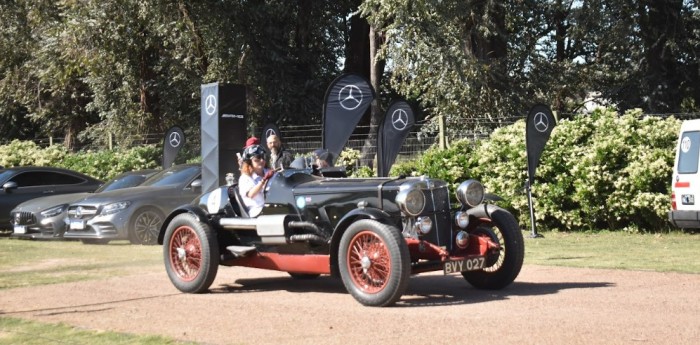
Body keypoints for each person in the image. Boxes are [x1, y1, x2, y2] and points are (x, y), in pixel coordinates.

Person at [238, 145, 274, 217]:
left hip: (273, 206)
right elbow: (251, 194)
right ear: (249, 161)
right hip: (257, 211)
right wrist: (264, 180)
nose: (262, 160)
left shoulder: (270, 172)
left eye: (263, 157)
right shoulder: (245, 178)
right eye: (258, 158)